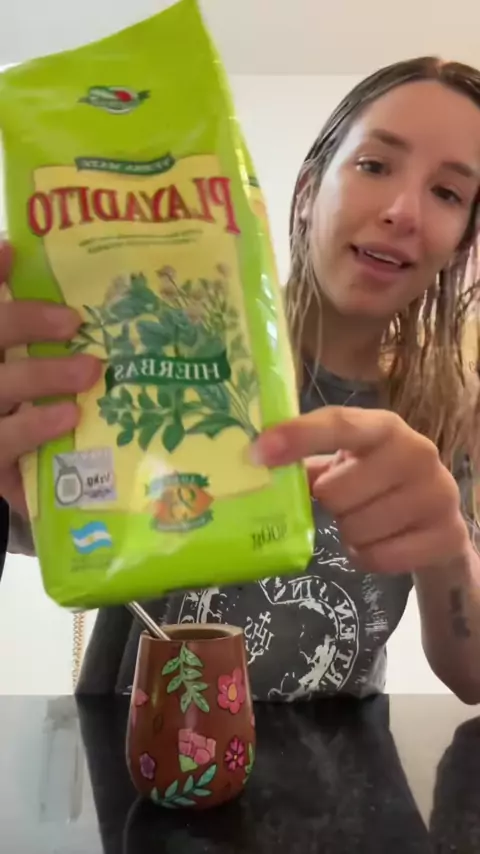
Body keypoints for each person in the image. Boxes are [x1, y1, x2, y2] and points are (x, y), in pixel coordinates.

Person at [2, 56, 480, 703]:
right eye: (375, 165)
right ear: (307, 192)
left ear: (460, 243)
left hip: (341, 761)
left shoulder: (452, 412)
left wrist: (448, 546)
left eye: (447, 193)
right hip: (141, 753)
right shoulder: (174, 356)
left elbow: (472, 677)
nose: (403, 211)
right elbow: (48, 529)